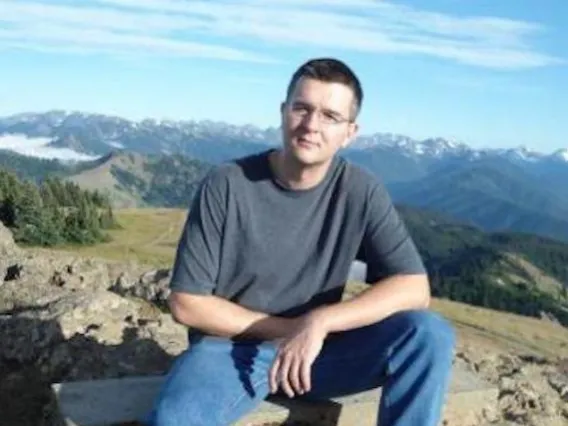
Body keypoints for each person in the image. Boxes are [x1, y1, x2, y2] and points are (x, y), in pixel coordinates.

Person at [145, 57, 456, 426]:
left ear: (350, 132)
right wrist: (292, 331)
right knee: (174, 420)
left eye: (330, 116)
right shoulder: (227, 183)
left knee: (428, 334)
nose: (311, 125)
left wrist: (320, 322)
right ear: (283, 111)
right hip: (229, 351)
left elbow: (414, 289)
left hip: (317, 357)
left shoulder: (360, 190)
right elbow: (187, 303)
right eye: (302, 108)